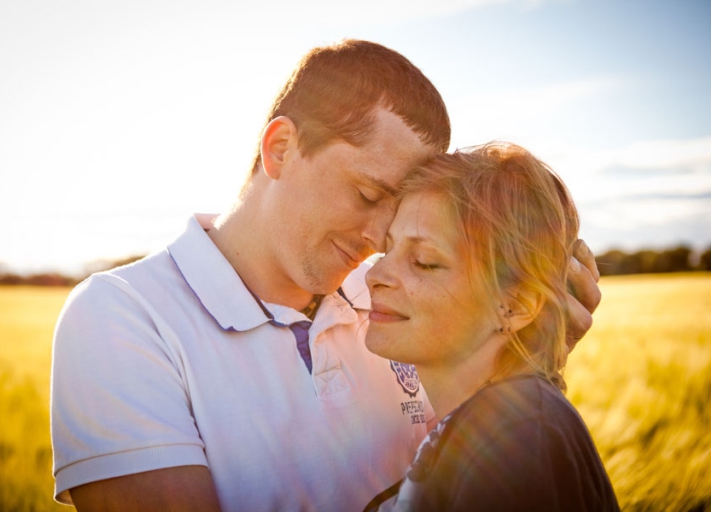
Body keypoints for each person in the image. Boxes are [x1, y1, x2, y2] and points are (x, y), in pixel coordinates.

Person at [50, 40, 602, 511]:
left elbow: (488, 461)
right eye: (367, 194)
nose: (380, 237)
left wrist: (519, 360)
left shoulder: (398, 299)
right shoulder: (122, 317)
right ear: (281, 148)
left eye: (402, 212)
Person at [363, 142, 618, 511]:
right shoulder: (490, 426)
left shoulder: (518, 442)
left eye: (424, 261)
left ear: (515, 306)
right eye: (387, 250)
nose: (375, 275)